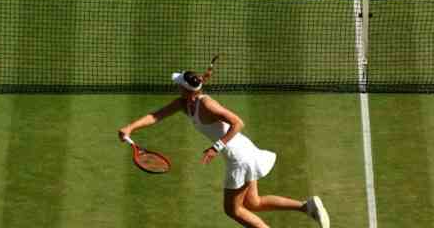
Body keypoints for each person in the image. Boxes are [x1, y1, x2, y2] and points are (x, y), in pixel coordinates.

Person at [118, 67, 331, 228]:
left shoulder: (207, 104)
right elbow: (157, 115)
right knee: (253, 202)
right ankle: (307, 206)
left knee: (233, 210)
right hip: (243, 151)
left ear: (185, 89)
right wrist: (130, 127)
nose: (176, 87)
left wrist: (216, 147)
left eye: (178, 84)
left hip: (240, 158)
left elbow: (238, 122)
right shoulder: (185, 104)